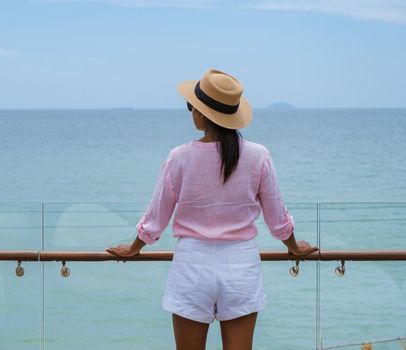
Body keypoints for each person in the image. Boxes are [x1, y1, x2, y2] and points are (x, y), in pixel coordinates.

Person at [106, 68, 318, 350]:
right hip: (241, 266)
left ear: (203, 114)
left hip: (192, 266)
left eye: (192, 107)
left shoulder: (179, 158)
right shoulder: (259, 156)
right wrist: (293, 247)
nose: (191, 111)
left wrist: (133, 248)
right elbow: (277, 219)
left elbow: (156, 220)